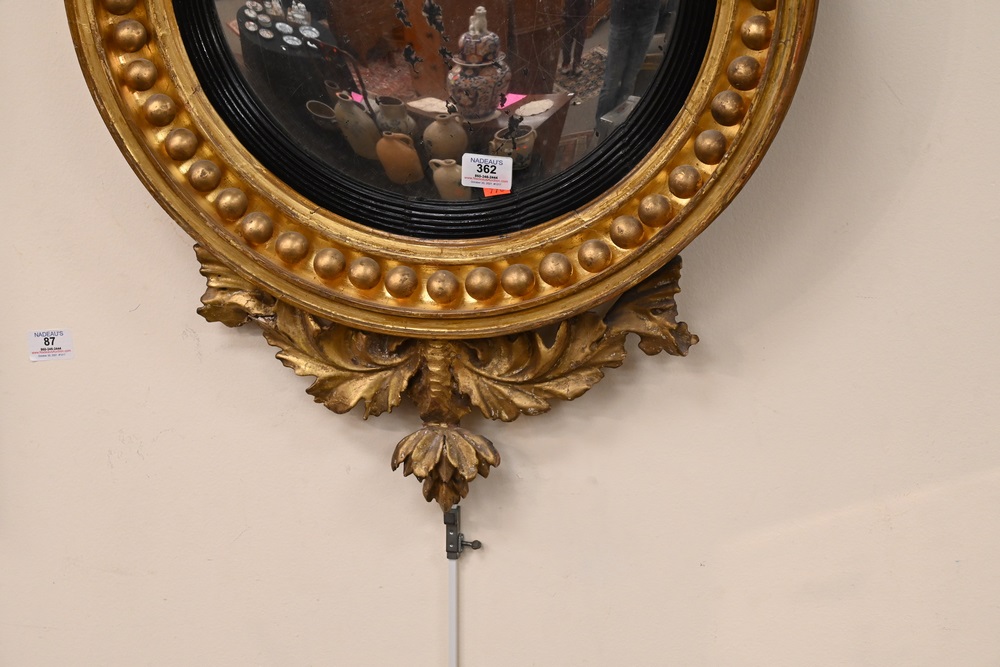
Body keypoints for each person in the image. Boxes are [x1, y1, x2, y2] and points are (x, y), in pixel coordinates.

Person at [594, 0, 664, 122]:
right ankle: (601, 128)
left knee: (629, 81)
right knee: (612, 82)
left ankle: (619, 125)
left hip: (649, 14)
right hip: (623, 14)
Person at [560, 0, 593, 75]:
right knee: (568, 38)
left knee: (580, 37)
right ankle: (566, 64)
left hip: (583, 10)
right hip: (570, 9)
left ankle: (576, 64)